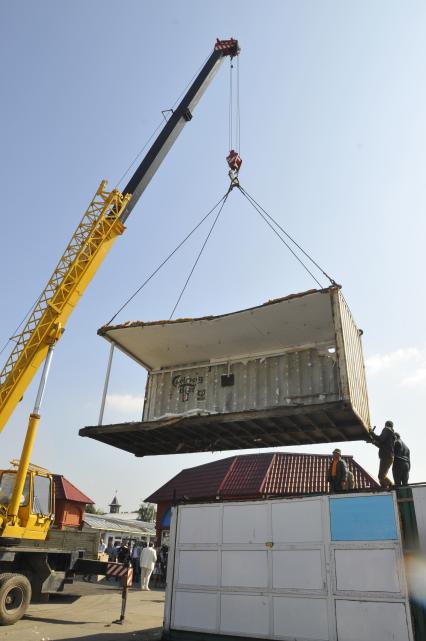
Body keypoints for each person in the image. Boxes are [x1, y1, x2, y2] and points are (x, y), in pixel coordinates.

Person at [371, 420, 396, 487]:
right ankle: (389, 487)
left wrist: (372, 433)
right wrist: (374, 442)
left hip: (386, 456)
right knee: (382, 476)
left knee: (381, 476)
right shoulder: (391, 434)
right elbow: (382, 444)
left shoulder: (387, 430)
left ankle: (392, 487)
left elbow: (380, 439)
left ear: (386, 425)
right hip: (389, 456)